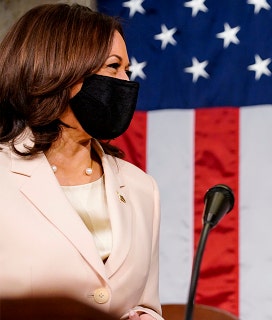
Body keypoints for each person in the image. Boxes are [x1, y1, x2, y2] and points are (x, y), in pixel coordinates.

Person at [0, 4, 163, 320]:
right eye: (112, 67)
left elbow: (145, 304)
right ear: (57, 69)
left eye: (127, 69)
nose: (125, 82)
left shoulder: (143, 188)